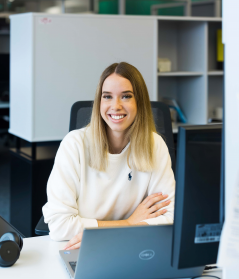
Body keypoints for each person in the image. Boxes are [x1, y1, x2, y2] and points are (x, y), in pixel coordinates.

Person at [42, 62, 175, 250]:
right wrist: (129, 224)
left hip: (134, 247)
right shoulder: (74, 145)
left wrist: (103, 230)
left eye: (126, 96)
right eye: (107, 97)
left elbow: (169, 217)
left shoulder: (154, 145)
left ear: (140, 102)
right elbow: (59, 226)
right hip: (84, 249)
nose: (116, 106)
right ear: (99, 102)